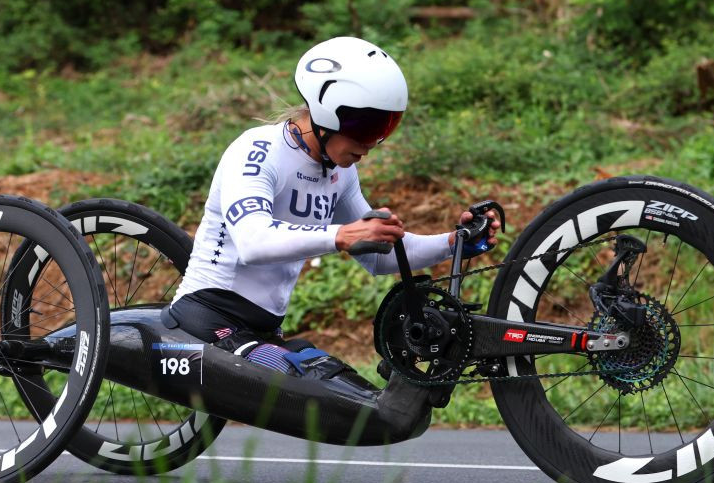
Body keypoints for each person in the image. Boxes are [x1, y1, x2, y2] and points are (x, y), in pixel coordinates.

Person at [165, 36, 499, 391]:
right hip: (207, 318)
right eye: (368, 127)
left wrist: (454, 241)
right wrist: (341, 235)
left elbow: (378, 258)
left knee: (351, 392)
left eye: (386, 128)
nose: (371, 145)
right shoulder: (257, 151)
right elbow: (252, 241)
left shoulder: (340, 172)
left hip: (262, 330)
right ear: (327, 112)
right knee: (324, 387)